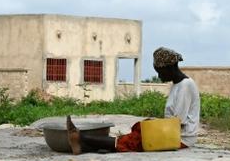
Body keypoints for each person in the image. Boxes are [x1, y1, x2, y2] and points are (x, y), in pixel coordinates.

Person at [67, 47, 200, 154]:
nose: (159, 76)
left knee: (131, 141)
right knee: (138, 129)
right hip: (173, 133)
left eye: (160, 72)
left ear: (170, 68)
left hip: (181, 139)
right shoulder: (178, 85)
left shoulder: (185, 86)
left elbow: (177, 123)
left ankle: (80, 137)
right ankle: (85, 146)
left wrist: (153, 128)